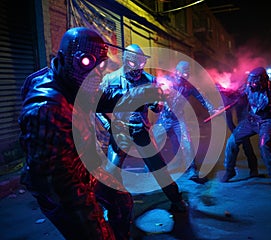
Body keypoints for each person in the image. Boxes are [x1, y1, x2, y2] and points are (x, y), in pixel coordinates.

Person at [18, 27, 133, 240]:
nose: (96, 73)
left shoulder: (73, 81)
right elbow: (56, 181)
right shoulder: (47, 109)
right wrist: (91, 211)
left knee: (122, 201)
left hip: (83, 167)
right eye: (87, 62)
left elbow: (101, 97)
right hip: (60, 188)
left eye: (101, 64)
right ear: (63, 58)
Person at [96, 44, 188, 212]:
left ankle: (176, 199)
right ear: (125, 61)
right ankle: (112, 206)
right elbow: (96, 105)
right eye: (133, 63)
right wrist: (108, 124)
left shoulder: (149, 80)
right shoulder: (111, 79)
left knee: (158, 167)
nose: (138, 67)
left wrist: (158, 102)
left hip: (141, 130)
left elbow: (156, 108)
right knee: (111, 170)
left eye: (141, 63)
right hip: (120, 131)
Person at [221, 66, 271, 201]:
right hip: (251, 120)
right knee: (232, 142)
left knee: (265, 148)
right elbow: (237, 94)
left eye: (255, 82)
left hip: (268, 121)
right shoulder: (248, 86)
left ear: (264, 81)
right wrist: (224, 91)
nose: (252, 85)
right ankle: (230, 170)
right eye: (250, 82)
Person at [154, 60, 216, 184]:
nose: (186, 76)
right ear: (177, 72)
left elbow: (201, 97)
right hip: (164, 118)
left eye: (187, 73)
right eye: (184, 73)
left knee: (187, 142)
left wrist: (212, 109)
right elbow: (155, 92)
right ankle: (150, 167)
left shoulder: (188, 86)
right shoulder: (167, 81)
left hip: (178, 119)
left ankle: (192, 170)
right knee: (154, 143)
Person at [217, 83, 259, 178]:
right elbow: (229, 120)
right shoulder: (223, 96)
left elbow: (245, 116)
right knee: (235, 143)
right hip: (240, 122)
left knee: (243, 143)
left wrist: (240, 133)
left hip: (246, 119)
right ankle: (250, 170)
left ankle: (252, 169)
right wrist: (236, 133)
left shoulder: (242, 92)